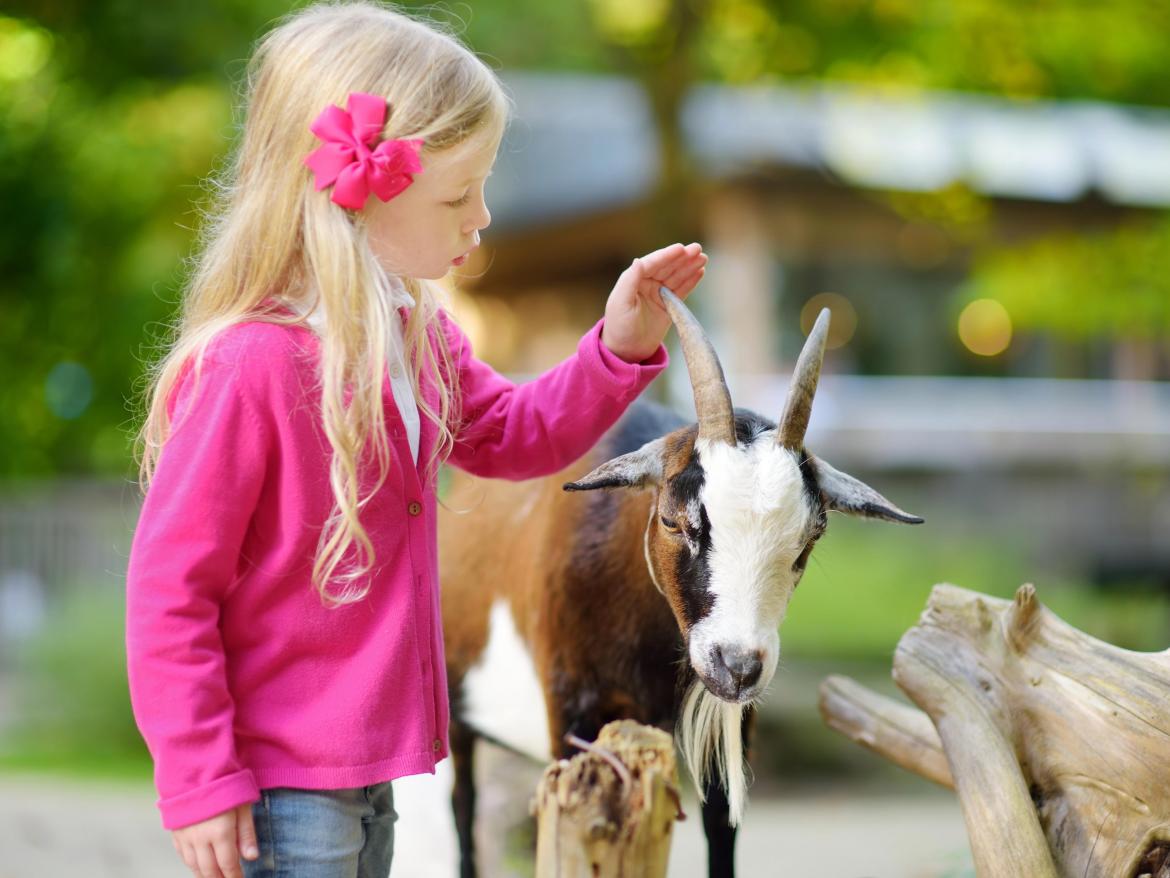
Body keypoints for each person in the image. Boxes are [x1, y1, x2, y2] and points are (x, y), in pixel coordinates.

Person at [125, 2, 707, 877]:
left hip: (369, 778)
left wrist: (617, 345)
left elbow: (518, 434)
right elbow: (170, 591)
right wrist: (200, 778)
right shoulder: (250, 366)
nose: (481, 217)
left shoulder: (416, 339)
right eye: (458, 193)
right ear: (364, 191)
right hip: (280, 793)